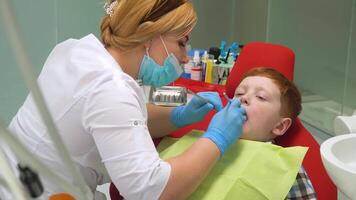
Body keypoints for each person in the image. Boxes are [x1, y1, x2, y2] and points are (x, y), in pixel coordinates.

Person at [1, 0, 247, 200]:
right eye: (181, 42)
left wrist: (177, 116)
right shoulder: (111, 89)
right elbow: (153, 190)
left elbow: (117, 121)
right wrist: (217, 138)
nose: (185, 57)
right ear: (148, 35)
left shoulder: (75, 50)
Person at [234, 67, 316, 199]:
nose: (244, 98)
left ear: (279, 125)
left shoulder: (283, 169)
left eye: (261, 97)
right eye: (239, 93)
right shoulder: (209, 145)